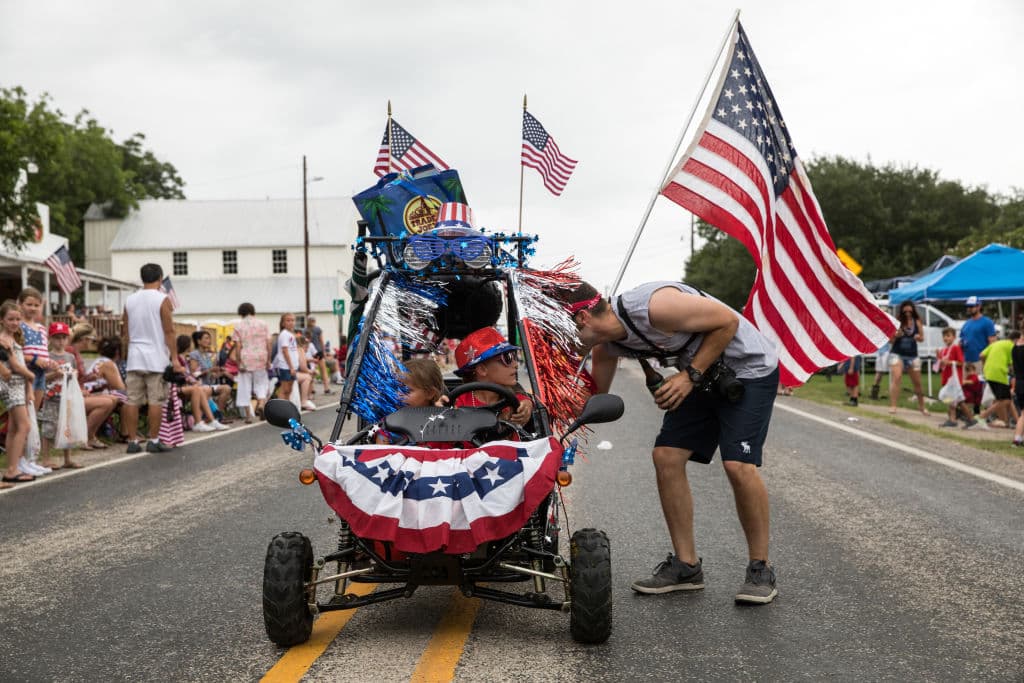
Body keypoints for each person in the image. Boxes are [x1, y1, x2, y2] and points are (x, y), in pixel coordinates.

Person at [564, 280, 780, 604]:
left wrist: (689, 376)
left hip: (748, 370)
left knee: (737, 464)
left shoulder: (655, 307)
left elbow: (728, 322)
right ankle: (686, 566)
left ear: (582, 320)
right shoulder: (607, 345)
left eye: (562, 333)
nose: (566, 343)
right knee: (666, 456)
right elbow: (595, 398)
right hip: (703, 375)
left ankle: (760, 568)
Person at [122, 263, 182, 454]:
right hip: (156, 356)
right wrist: (175, 358)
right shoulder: (162, 299)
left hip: (135, 356)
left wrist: (128, 352)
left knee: (132, 400)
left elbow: (125, 331)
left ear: (142, 278)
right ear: (160, 278)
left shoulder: (130, 300)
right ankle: (154, 439)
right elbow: (169, 331)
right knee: (156, 400)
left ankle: (132, 441)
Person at [452, 327, 534, 432]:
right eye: (507, 358)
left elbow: (523, 399)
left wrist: (527, 405)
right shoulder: (459, 402)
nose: (516, 365)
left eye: (514, 356)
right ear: (482, 369)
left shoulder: (513, 396)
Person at [1, 300, 43, 483]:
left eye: (17, 319)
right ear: (2, 320)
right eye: (10, 319)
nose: (15, 322)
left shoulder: (14, 339)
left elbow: (21, 365)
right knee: (24, 426)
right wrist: (31, 375)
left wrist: (28, 388)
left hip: (20, 386)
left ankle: (12, 466)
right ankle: (12, 469)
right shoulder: (3, 340)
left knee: (13, 428)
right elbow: (15, 366)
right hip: (11, 387)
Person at [38, 322, 83, 470]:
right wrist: (55, 374)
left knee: (67, 428)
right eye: (57, 338)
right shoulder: (47, 356)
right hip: (51, 398)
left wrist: (74, 374)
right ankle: (46, 458)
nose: (61, 341)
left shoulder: (70, 357)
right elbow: (42, 378)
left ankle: (67, 458)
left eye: (64, 337)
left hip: (67, 398)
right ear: (50, 339)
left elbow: (75, 373)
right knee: (48, 428)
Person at [175, 335, 226, 432]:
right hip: (178, 386)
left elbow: (187, 374)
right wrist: (194, 381)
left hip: (188, 384)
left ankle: (211, 419)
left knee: (201, 389)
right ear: (186, 345)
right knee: (198, 389)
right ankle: (202, 421)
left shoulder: (184, 358)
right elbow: (185, 375)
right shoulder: (179, 358)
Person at [233, 302, 271, 423]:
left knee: (245, 386)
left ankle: (248, 415)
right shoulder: (263, 324)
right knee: (261, 384)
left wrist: (239, 361)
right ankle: (261, 404)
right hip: (261, 356)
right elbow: (269, 342)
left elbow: (238, 346)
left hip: (246, 358)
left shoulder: (238, 326)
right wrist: (268, 359)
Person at [888, 301, 927, 416]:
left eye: (910, 311)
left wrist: (918, 337)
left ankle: (922, 406)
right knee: (897, 377)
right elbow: (890, 341)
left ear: (913, 311)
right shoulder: (897, 322)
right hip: (897, 353)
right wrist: (896, 335)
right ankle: (893, 406)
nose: (908, 314)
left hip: (912, 354)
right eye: (906, 312)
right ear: (902, 311)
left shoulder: (917, 322)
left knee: (917, 383)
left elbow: (922, 338)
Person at [188, 329, 233, 421]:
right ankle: (214, 416)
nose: (209, 341)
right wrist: (210, 370)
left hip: (209, 385)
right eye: (206, 338)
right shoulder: (194, 354)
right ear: (199, 341)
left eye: (209, 338)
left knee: (227, 388)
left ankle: (218, 416)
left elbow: (212, 376)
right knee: (208, 390)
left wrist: (221, 372)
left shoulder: (208, 355)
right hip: (200, 385)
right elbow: (194, 374)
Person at [977, 332, 1019, 428]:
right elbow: (1013, 365)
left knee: (1006, 398)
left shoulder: (996, 343)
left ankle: (1011, 422)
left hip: (989, 372)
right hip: (999, 373)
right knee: (1005, 400)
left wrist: (985, 365)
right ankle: (982, 416)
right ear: (1016, 340)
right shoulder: (1012, 346)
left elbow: (981, 355)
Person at [936, 327, 969, 428]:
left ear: (954, 337)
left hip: (954, 378)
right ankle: (953, 419)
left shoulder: (955, 348)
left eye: (948, 336)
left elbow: (960, 362)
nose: (946, 338)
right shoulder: (944, 350)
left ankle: (964, 418)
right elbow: (940, 365)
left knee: (957, 400)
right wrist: (938, 357)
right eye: (944, 336)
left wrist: (949, 362)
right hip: (947, 378)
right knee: (952, 400)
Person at [959, 296, 997, 364]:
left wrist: (988, 360)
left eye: (971, 306)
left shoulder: (987, 322)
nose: (969, 309)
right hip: (967, 361)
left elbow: (993, 344)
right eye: (968, 306)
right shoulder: (966, 324)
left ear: (979, 306)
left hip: (980, 361)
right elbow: (961, 341)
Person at [271, 313, 298, 402]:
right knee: (284, 389)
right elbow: (285, 351)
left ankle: (286, 408)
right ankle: (280, 409)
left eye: (292, 320)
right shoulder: (284, 334)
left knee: (289, 389)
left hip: (292, 366)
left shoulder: (291, 334)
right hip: (285, 366)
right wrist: (291, 367)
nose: (291, 322)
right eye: (288, 320)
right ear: (283, 323)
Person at [304, 315, 332, 395]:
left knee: (311, 371)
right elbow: (321, 341)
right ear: (314, 321)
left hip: (309, 353)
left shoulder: (305, 330)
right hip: (318, 352)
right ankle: (326, 388)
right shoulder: (317, 329)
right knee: (323, 371)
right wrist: (324, 352)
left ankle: (312, 389)